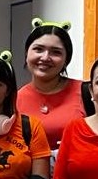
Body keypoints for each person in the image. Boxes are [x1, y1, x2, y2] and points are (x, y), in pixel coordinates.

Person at [16, 19, 86, 149]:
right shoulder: (13, 99)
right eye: (38, 49)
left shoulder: (87, 93)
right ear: (27, 53)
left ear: (66, 59)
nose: (45, 57)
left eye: (56, 52)